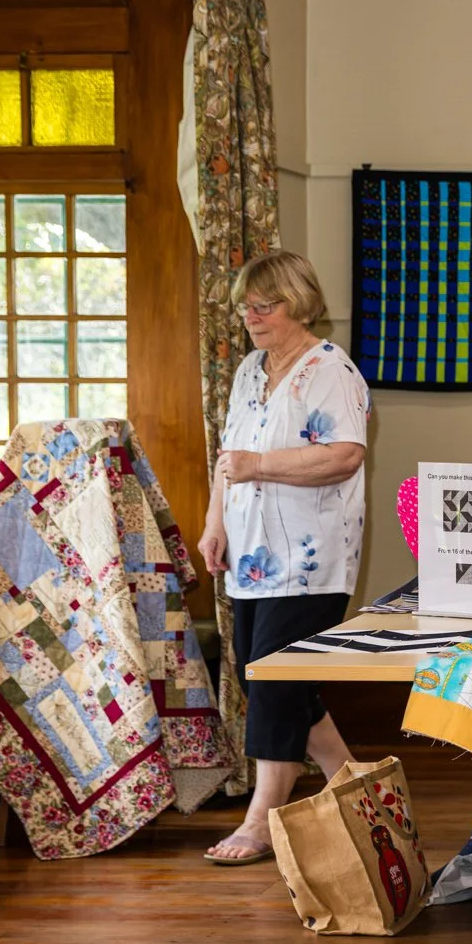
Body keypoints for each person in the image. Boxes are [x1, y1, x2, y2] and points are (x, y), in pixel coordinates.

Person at [197, 253, 371, 865]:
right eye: (245, 306)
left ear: (297, 302)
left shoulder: (330, 370)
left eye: (263, 305)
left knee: (274, 681)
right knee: (262, 674)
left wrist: (260, 467)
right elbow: (230, 453)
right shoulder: (250, 369)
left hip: (310, 559)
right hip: (250, 556)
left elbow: (346, 454)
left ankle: (264, 820)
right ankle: (352, 779)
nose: (251, 316)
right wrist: (215, 520)